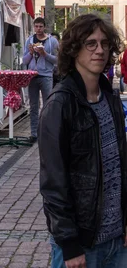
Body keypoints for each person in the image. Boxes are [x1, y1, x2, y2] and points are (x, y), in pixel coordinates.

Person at [39, 14, 127, 268]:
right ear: (74, 49)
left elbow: (121, 164)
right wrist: (69, 244)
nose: (99, 50)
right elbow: (53, 183)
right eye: (91, 43)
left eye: (104, 43)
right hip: (82, 246)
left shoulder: (110, 97)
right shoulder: (60, 104)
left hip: (117, 241)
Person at [23, 17, 58, 143]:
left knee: (48, 105)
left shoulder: (52, 41)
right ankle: (34, 133)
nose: (38, 29)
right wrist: (31, 53)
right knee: (33, 106)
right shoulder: (29, 40)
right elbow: (24, 61)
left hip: (46, 76)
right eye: (36, 26)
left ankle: (48, 132)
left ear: (44, 27)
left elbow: (57, 60)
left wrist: (44, 54)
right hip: (32, 75)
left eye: (40, 27)